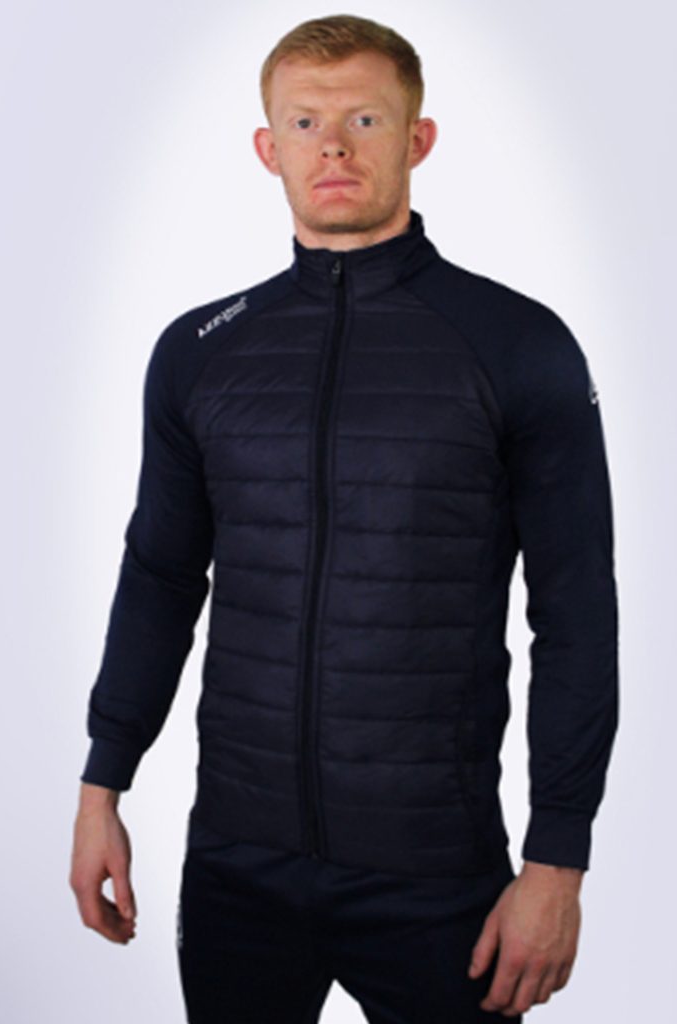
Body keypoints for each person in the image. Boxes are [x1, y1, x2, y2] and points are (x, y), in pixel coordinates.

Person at [69, 13, 619, 1023]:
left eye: (364, 119)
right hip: (237, 865)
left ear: (418, 139)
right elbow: (159, 576)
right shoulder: (201, 353)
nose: (333, 146)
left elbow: (577, 612)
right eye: (305, 122)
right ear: (266, 147)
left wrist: (558, 862)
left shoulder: (517, 346)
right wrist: (103, 785)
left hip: (437, 875)